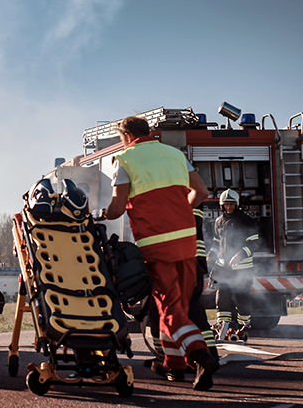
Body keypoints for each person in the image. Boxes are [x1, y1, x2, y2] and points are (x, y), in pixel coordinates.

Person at [98, 116, 219, 391]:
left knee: (169, 310)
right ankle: (173, 367)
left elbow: (116, 208)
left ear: (126, 136)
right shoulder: (175, 154)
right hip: (187, 242)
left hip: (157, 245)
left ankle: (200, 356)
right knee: (177, 307)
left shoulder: (125, 159)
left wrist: (99, 214)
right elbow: (200, 191)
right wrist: (179, 213)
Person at [146, 207, 219, 381]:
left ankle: (197, 358)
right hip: (192, 262)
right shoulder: (189, 192)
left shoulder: (171, 196)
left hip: (174, 261)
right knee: (190, 311)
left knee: (167, 312)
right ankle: (184, 362)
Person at [208, 188, 260, 341]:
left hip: (242, 269)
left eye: (231, 204)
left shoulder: (246, 221)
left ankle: (243, 328)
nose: (228, 207)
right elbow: (216, 243)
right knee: (222, 297)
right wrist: (211, 255)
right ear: (221, 205)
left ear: (236, 204)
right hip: (224, 269)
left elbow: (254, 243)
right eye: (226, 205)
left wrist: (240, 255)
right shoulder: (218, 222)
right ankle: (223, 326)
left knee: (241, 298)